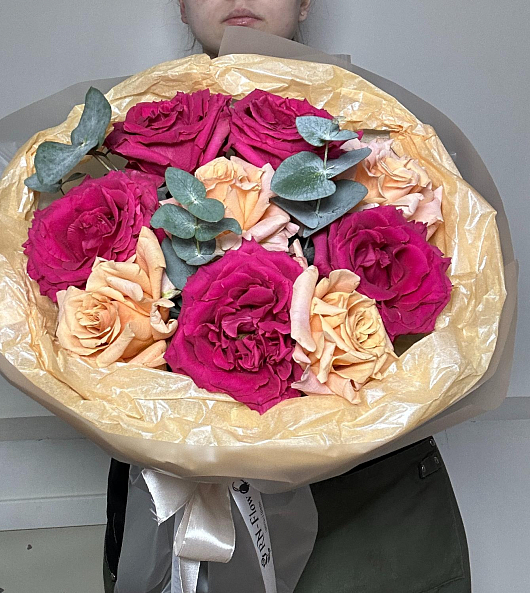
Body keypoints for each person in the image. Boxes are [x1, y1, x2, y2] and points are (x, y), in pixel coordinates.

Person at [103, 2, 472, 591]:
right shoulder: (118, 144)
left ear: (306, 0)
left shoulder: (380, 133)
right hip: (172, 494)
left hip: (368, 499)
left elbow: (457, 300)